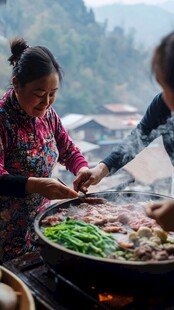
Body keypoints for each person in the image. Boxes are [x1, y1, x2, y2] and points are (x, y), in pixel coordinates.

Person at [73, 31, 174, 231]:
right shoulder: (163, 105)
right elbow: (137, 140)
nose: (165, 97)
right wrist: (101, 169)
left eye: (168, 88)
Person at [0, 37, 89, 262]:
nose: (47, 102)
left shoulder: (47, 115)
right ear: (17, 83)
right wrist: (36, 184)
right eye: (40, 94)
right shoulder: (3, 120)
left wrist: (82, 169)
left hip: (39, 227)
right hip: (4, 233)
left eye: (53, 93)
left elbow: (68, 150)